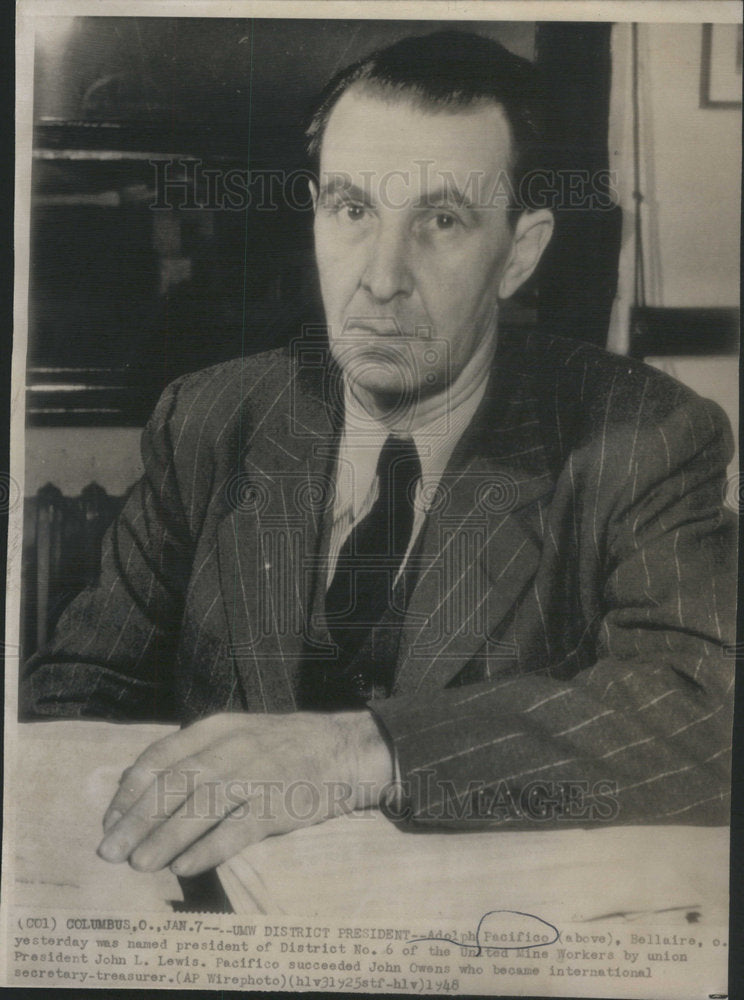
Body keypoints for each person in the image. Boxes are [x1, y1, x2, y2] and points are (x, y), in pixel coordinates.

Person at [21, 31, 735, 879]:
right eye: (354, 210)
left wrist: (364, 751)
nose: (381, 277)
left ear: (520, 252)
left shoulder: (641, 437)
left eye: (441, 220)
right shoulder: (213, 417)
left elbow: (707, 715)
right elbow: (73, 697)